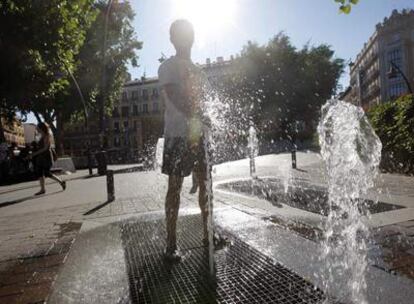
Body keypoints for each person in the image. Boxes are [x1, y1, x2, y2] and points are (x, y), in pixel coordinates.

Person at [159, 19, 211, 261]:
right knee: (175, 188)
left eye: (188, 34)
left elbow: (203, 104)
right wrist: (195, 113)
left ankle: (208, 233)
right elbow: (174, 95)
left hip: (197, 134)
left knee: (206, 184)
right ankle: (171, 244)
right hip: (177, 135)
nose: (185, 39)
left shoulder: (199, 71)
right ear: (172, 39)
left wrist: (206, 119)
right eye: (180, 35)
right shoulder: (167, 66)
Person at [30, 122, 65, 195]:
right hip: (41, 157)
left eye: (38, 127)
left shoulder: (47, 136)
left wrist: (35, 154)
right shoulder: (41, 136)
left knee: (46, 173)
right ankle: (42, 189)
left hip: (46, 157)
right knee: (39, 172)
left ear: (41, 128)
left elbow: (45, 148)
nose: (37, 129)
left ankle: (61, 182)